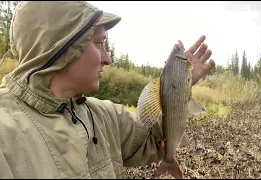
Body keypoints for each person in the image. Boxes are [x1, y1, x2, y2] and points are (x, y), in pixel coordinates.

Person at [0, 1, 215, 179]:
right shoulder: (5, 134)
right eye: (99, 44)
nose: (108, 58)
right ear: (63, 47)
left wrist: (178, 88)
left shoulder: (104, 117)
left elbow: (152, 137)